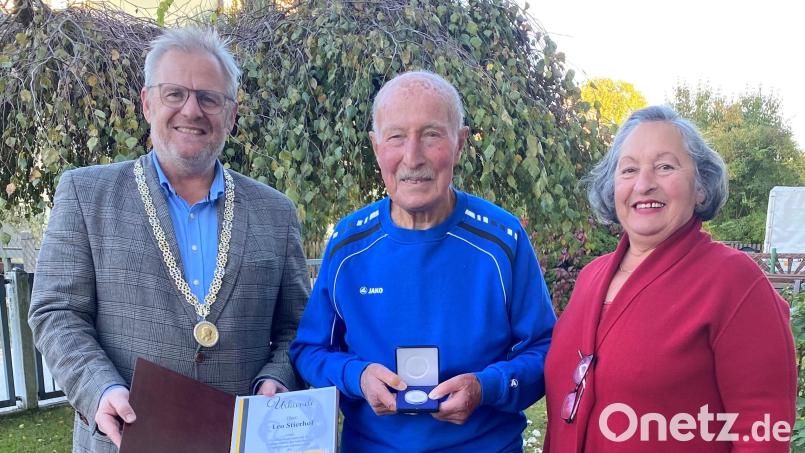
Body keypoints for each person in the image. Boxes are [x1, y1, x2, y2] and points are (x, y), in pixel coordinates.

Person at [28, 27, 309, 452]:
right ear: (147, 103)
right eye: (174, 93)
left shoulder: (275, 213)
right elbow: (56, 312)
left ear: (231, 115)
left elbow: (297, 326)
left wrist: (278, 376)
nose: (191, 110)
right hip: (125, 439)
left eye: (209, 98)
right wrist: (100, 389)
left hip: (240, 442)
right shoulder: (87, 195)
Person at [289, 70, 556, 452]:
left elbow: (546, 351)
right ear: (376, 147)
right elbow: (309, 351)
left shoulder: (502, 240)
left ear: (460, 143)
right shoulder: (349, 243)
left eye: (431, 135)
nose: (412, 157)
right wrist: (357, 376)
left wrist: (486, 387)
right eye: (396, 137)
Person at [543, 106, 796, 452]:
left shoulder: (733, 281)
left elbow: (762, 431)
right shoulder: (591, 276)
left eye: (665, 167)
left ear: (701, 187)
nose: (644, 184)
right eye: (629, 169)